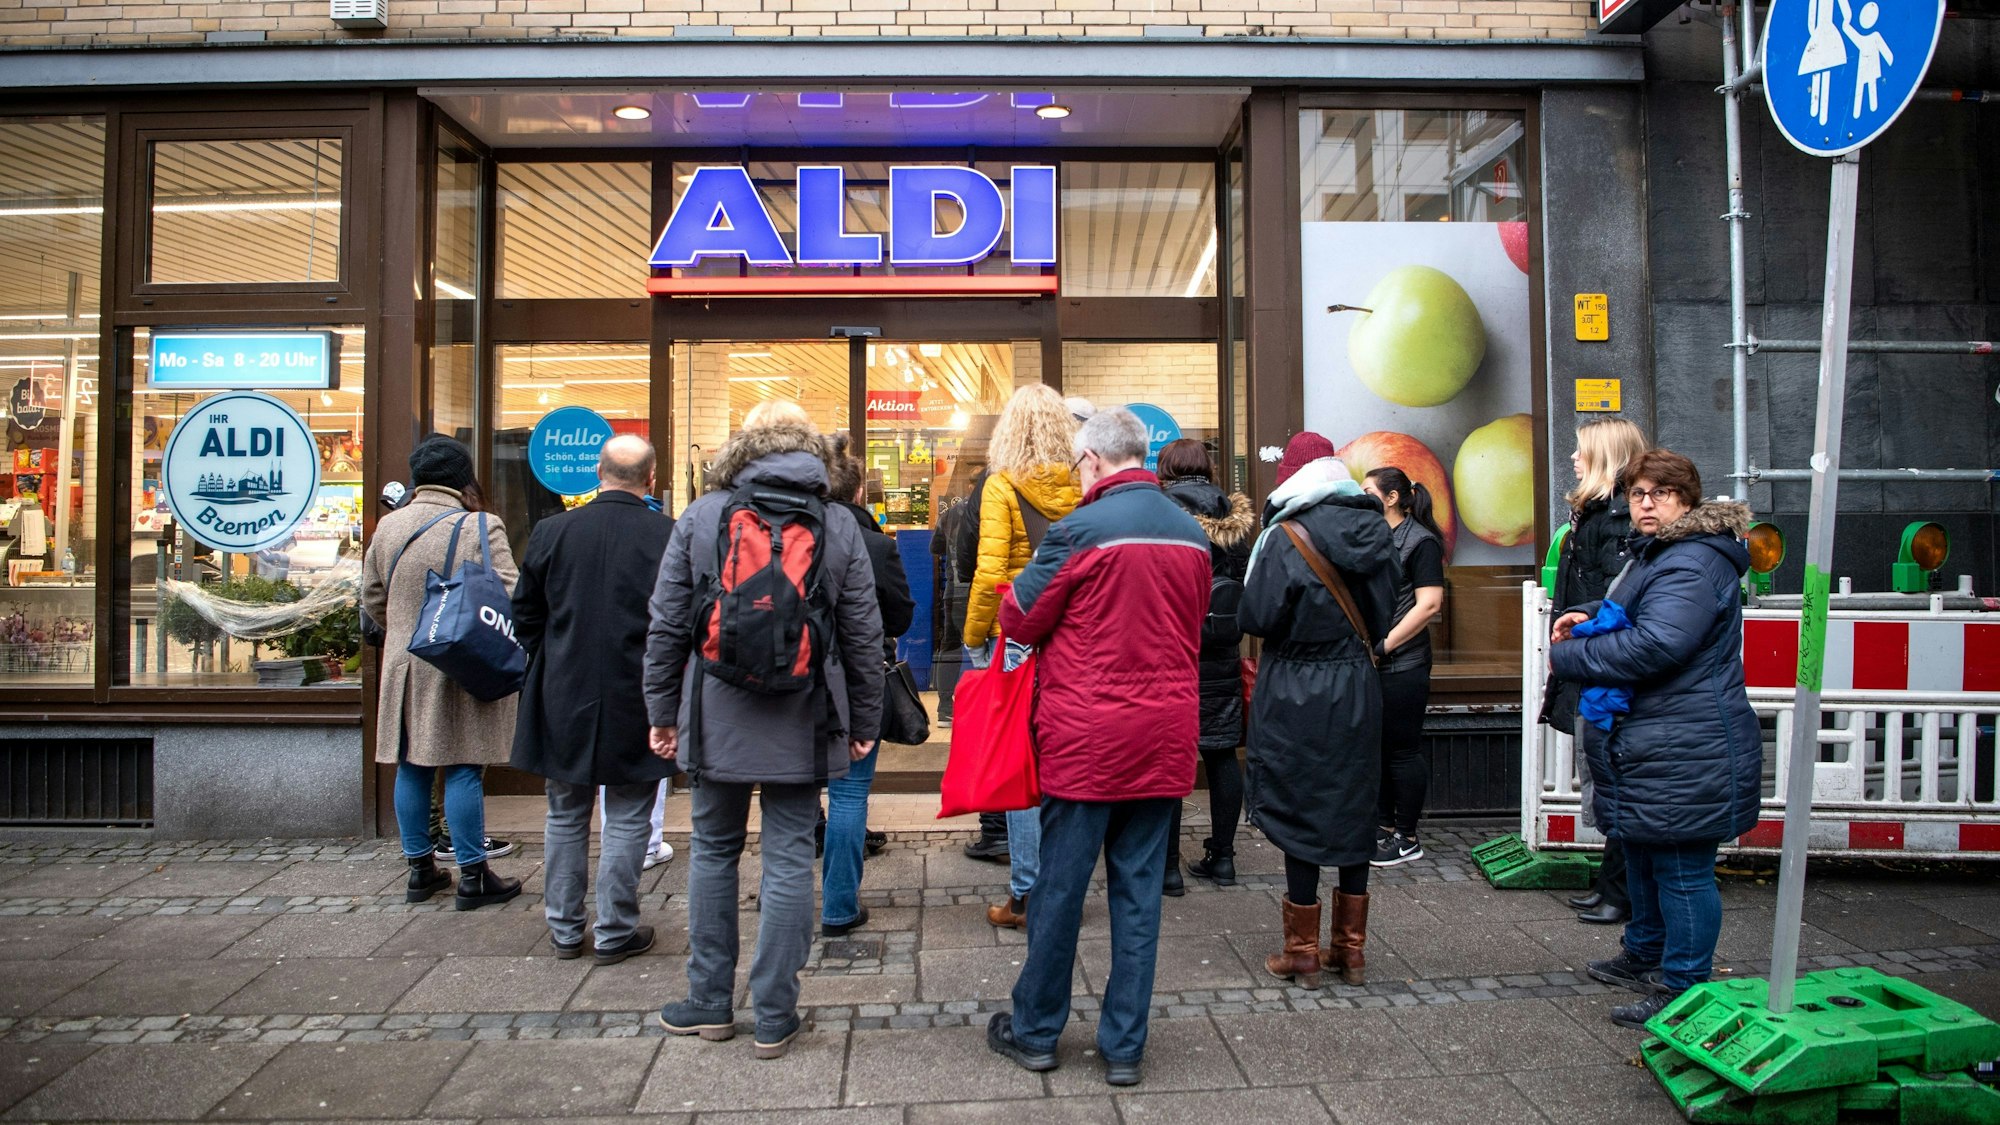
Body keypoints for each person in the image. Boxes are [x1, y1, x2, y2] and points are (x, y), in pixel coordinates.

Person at [645, 399, 885, 1060]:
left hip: (714, 710)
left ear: (744, 447)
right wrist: (865, 720)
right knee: (786, 856)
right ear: (812, 452)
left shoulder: (701, 516)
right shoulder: (836, 522)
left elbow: (666, 625)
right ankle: (777, 1012)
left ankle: (709, 1001)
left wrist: (661, 713)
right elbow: (864, 633)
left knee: (715, 850)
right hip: (804, 717)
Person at [983, 408, 1211, 1087]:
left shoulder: (1078, 531)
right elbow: (1194, 620)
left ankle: (1036, 1031)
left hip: (1086, 740)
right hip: (1165, 735)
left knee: (1059, 887)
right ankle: (1124, 1046)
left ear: (1092, 461)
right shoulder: (1192, 534)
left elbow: (1020, 615)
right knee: (1139, 894)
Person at [1550, 449, 1760, 1029]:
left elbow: (1658, 644)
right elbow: (1636, 611)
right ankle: (1643, 953)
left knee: (1681, 871)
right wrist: (1591, 610)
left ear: (1686, 501)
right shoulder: (1661, 553)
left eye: (1660, 494)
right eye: (1638, 493)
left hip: (1685, 742)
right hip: (1655, 738)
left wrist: (1571, 655)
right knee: (1643, 855)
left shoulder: (1691, 561)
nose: (1645, 504)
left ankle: (1684, 986)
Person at [510, 434, 677, 964]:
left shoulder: (552, 531)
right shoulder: (666, 535)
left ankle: (563, 929)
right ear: (650, 479)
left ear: (598, 473)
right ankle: (614, 930)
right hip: (639, 691)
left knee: (565, 812)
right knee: (629, 813)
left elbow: (526, 615)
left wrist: (556, 655)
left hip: (564, 688)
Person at [1241, 432, 1398, 989]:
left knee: (1300, 805)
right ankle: (1349, 953)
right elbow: (1386, 616)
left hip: (1296, 686)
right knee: (1355, 805)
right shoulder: (1377, 528)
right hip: (1356, 681)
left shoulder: (1285, 535)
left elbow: (1255, 615)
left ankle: (1302, 953)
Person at [361, 434, 523, 911]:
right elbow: (511, 593)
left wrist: (408, 630)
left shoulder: (388, 528)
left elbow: (372, 598)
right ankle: (473, 876)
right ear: (461, 478)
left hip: (403, 663)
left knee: (411, 764)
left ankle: (420, 871)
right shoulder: (479, 525)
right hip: (458, 661)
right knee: (464, 765)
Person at [963, 384, 1082, 930]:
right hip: (1070, 633)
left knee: (1019, 761)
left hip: (1014, 636)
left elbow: (990, 573)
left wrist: (972, 637)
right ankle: (1065, 891)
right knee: (1064, 760)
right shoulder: (1084, 483)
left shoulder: (1001, 484)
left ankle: (1027, 892)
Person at [1542, 418, 1651, 926]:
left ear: (1605, 457)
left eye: (1581, 451)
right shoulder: (1595, 514)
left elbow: (1614, 596)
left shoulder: (1616, 519)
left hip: (1605, 664)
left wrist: (1579, 624)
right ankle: (1612, 884)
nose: (1572, 459)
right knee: (1606, 777)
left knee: (1613, 777)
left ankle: (1621, 891)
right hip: (1594, 660)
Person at [821, 432, 914, 939]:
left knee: (791, 796)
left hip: (795, 680)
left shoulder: (791, 535)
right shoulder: (877, 544)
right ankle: (838, 906)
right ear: (859, 492)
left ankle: (787, 899)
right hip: (858, 679)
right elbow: (899, 614)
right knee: (851, 793)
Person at [1155, 438, 1255, 892]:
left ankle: (1169, 868)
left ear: (1167, 469)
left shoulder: (1159, 513)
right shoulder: (1235, 520)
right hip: (1221, 651)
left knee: (1170, 760)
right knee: (1221, 754)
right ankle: (1224, 858)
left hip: (1170, 651)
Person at [1360, 467, 1447, 868]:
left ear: (1391, 498)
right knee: (1377, 749)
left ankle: (1407, 836)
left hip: (1403, 663)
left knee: (1402, 751)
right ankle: (1380, 828)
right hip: (1377, 660)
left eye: (1367, 491)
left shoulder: (1421, 542)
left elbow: (1429, 604)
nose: (1361, 497)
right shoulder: (1376, 536)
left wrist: (1385, 646)